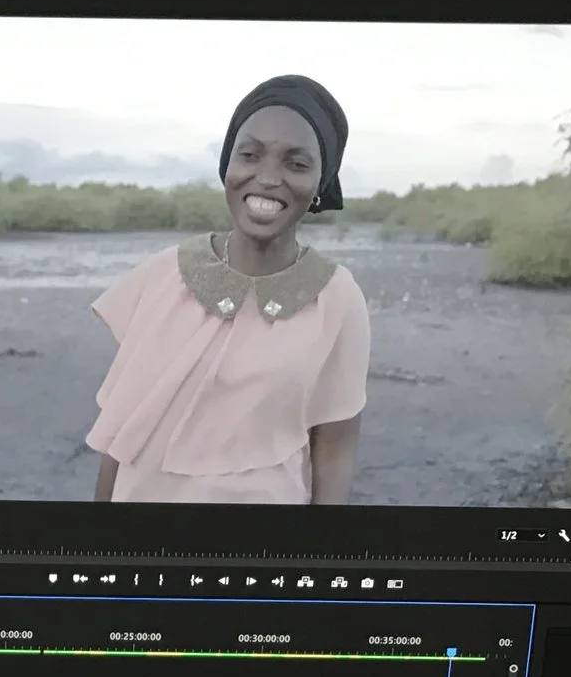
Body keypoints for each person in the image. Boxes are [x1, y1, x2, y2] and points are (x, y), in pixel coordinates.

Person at [85, 75, 368, 505]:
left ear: (320, 183)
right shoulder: (165, 274)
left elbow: (334, 451)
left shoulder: (336, 297)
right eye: (249, 155)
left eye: (296, 164)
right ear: (227, 166)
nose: (267, 178)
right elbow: (121, 429)